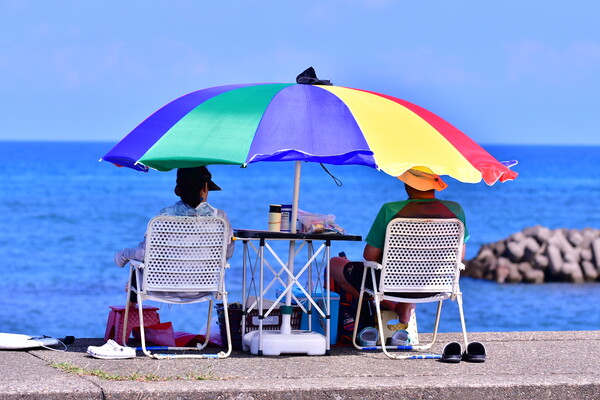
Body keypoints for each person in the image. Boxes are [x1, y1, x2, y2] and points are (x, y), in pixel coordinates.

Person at [330, 168, 469, 334]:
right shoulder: (456, 210)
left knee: (335, 264)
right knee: (412, 272)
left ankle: (388, 302)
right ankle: (403, 309)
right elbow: (459, 256)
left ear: (408, 184)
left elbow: (369, 256)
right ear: (433, 184)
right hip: (435, 286)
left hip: (392, 286)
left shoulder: (391, 210)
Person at [114, 166, 234, 304]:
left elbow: (144, 253)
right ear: (205, 189)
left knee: (136, 272)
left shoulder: (164, 216)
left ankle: (129, 323)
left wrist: (124, 254)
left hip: (161, 288)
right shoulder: (220, 218)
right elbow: (227, 254)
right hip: (204, 287)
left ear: (178, 190)